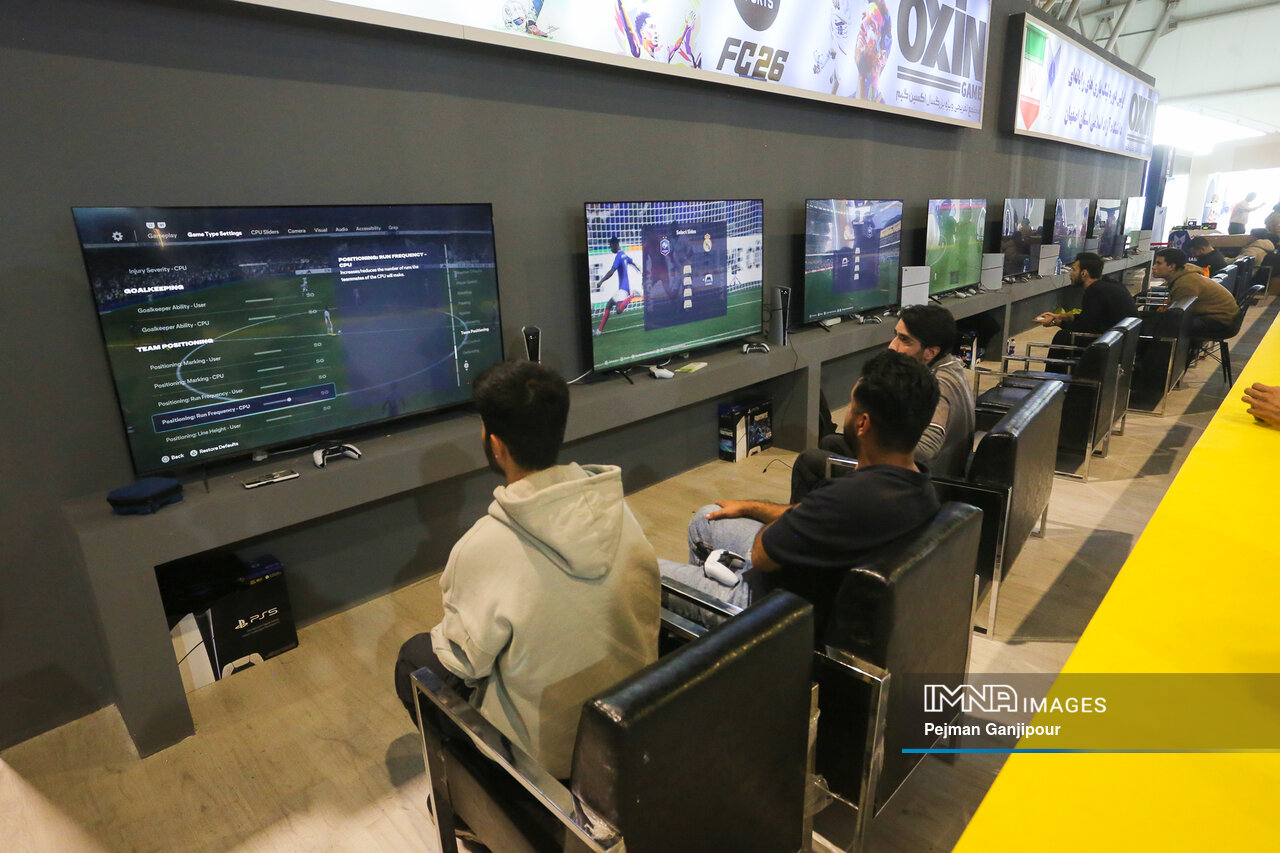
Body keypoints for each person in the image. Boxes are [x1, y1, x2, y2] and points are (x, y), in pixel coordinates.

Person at [393, 361, 660, 780]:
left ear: (496, 445)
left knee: (414, 659)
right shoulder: (617, 510)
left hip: (548, 762)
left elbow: (464, 664)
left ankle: (469, 798)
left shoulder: (482, 546)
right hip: (630, 724)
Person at [658, 350, 941, 630]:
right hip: (810, 583)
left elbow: (762, 554)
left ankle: (713, 637)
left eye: (851, 406)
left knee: (643, 572)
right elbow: (809, 521)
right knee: (705, 519)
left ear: (862, 423)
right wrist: (751, 508)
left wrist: (797, 521)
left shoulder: (845, 498)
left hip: (772, 609)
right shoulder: (922, 488)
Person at [791, 304, 975, 500]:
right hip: (934, 473)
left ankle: (803, 519)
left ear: (930, 352)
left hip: (924, 486)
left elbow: (926, 449)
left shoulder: (939, 386)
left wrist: (879, 448)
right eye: (896, 335)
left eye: (904, 340)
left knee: (808, 462)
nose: (893, 346)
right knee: (831, 442)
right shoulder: (952, 367)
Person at [1034, 251, 1138, 341]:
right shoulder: (1109, 284)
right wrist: (1059, 316)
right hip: (1123, 341)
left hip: (1111, 344)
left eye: (1074, 270)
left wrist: (1055, 322)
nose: (1070, 274)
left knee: (1062, 337)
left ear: (1084, 273)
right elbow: (1088, 318)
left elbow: (1084, 328)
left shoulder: (1094, 291)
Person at [1150, 247, 1238, 339]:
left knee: (1167, 325)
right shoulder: (1183, 275)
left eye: (1158, 263)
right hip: (1224, 318)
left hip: (1223, 323)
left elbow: (1178, 313)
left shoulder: (1185, 284)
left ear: (1172, 266)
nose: (1154, 267)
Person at [594, 236, 641, 336]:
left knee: (618, 310)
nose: (611, 249)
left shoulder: (618, 257)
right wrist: (639, 269)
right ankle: (599, 331)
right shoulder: (624, 255)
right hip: (623, 288)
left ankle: (632, 295)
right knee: (609, 305)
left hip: (623, 289)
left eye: (611, 246)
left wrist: (601, 281)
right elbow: (632, 261)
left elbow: (611, 271)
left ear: (615, 244)